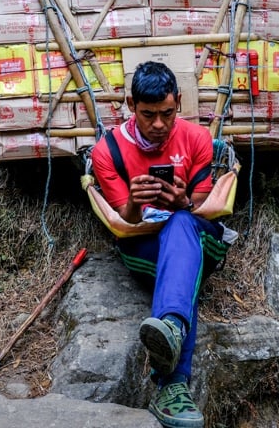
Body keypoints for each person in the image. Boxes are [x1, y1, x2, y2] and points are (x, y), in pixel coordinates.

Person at [91, 61, 230, 428]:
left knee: (183, 223)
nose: (158, 125)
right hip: (143, 248)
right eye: (148, 114)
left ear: (178, 103)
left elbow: (204, 210)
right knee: (182, 280)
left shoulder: (197, 139)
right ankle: (173, 343)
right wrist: (136, 201)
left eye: (167, 114)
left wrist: (181, 202)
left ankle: (170, 364)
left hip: (200, 241)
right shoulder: (108, 151)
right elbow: (123, 220)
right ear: (130, 105)